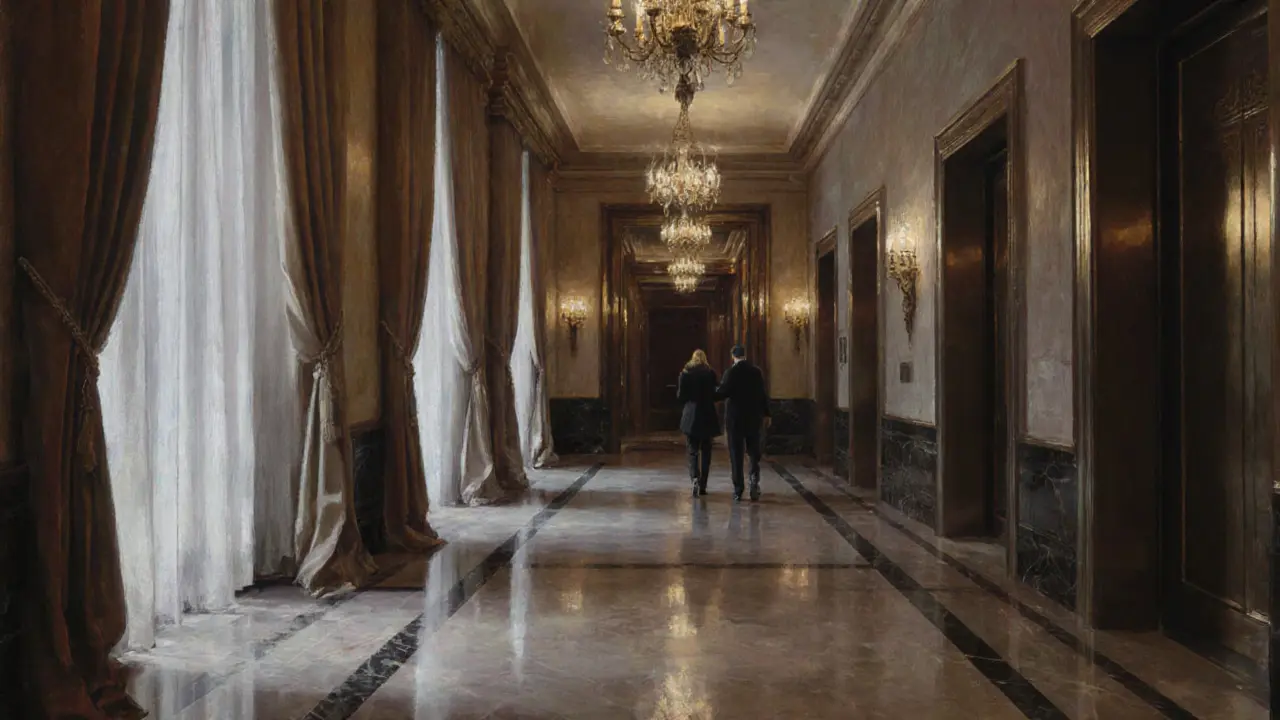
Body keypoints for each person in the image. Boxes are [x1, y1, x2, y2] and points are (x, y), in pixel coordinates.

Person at [716, 344, 770, 501]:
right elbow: (762, 394)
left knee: (736, 454)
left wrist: (712, 392)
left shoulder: (730, 372)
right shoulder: (756, 372)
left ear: (733, 356)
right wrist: (767, 413)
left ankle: (738, 489)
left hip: (735, 419)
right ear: (745, 356)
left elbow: (723, 392)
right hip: (753, 418)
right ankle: (754, 480)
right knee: (753, 452)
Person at [677, 349, 721, 497]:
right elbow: (716, 394)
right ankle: (703, 484)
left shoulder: (686, 373)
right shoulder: (710, 373)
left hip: (691, 415)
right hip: (707, 414)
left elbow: (681, 395)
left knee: (693, 450)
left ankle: (694, 477)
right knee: (707, 451)